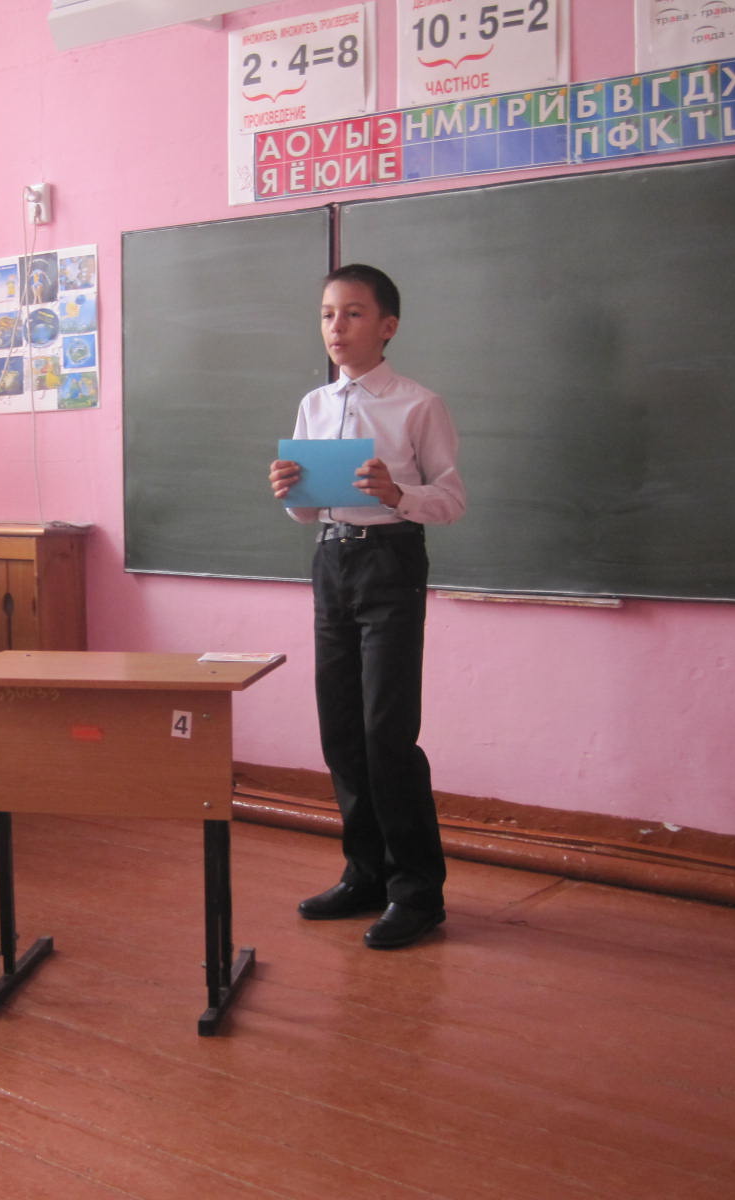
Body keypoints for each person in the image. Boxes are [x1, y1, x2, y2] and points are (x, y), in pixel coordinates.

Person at [267, 263, 466, 950]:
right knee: (342, 731)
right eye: (327, 314)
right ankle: (365, 874)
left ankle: (417, 892)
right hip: (331, 560)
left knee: (387, 733)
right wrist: (290, 492)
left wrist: (396, 494)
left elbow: (452, 499)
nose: (336, 326)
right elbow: (308, 511)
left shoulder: (417, 404)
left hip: (390, 560)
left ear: (387, 326)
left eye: (353, 313)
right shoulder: (314, 404)